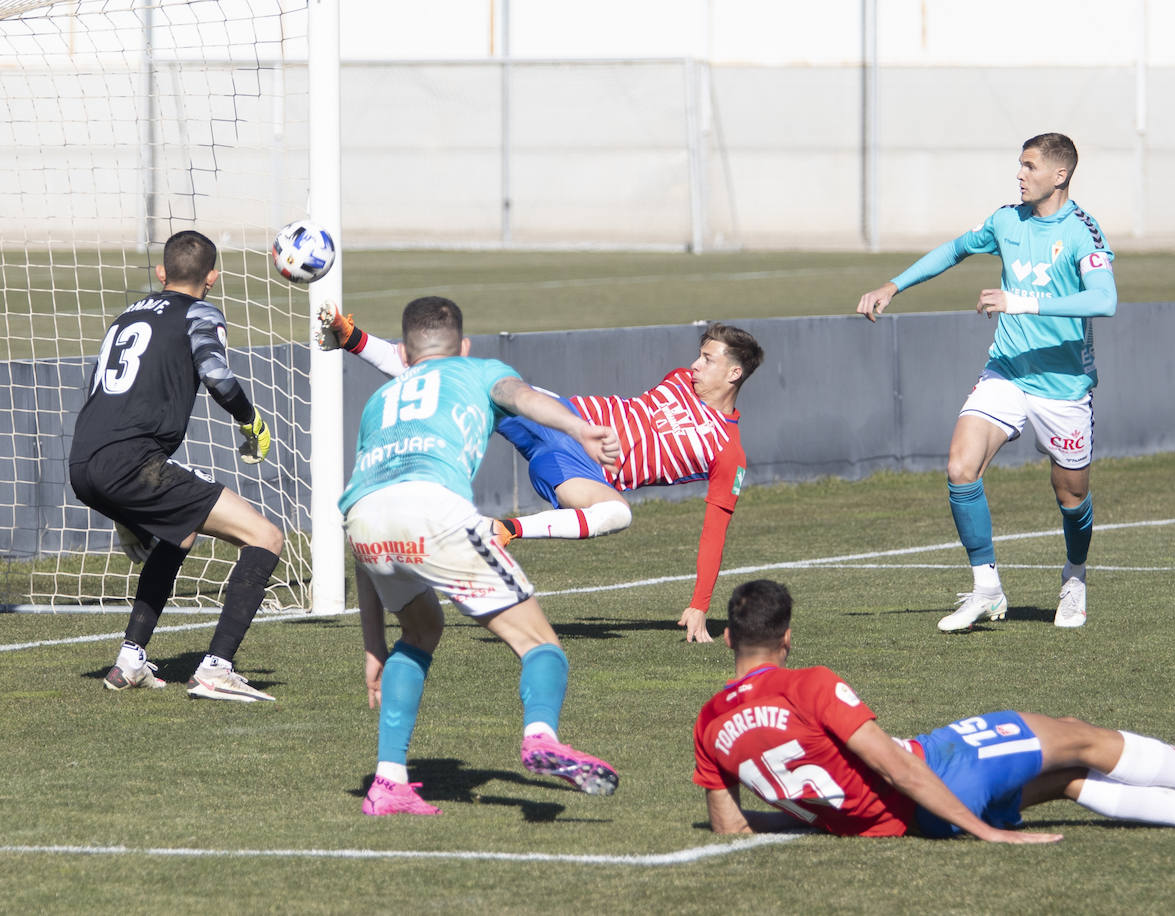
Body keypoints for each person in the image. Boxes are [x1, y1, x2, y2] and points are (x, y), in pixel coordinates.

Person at [693, 579, 1175, 841]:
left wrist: (819, 818)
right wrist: (984, 832)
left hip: (909, 823)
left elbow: (730, 826)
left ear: (728, 639)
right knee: (1078, 737)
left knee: (1068, 782)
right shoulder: (811, 684)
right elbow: (898, 768)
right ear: (788, 638)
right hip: (943, 776)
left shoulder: (709, 721)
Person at [320, 304, 764, 643]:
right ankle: (351, 338)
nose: (694, 366)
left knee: (617, 514)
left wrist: (700, 605)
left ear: (734, 372)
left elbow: (715, 530)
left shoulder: (729, 452)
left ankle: (503, 530)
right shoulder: (679, 380)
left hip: (580, 469)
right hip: (565, 418)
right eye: (699, 356)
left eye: (707, 360)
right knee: (464, 381)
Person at [340, 296, 622, 816]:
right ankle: (540, 736)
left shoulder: (379, 402)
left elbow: (364, 507)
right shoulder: (479, 369)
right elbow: (522, 397)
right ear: (463, 346)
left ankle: (388, 782)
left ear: (403, 351)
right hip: (433, 507)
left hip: (363, 522)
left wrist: (373, 646)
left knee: (420, 631)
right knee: (540, 645)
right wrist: (580, 429)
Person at [854, 132, 1116, 631]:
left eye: (1030, 166)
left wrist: (1020, 302)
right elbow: (953, 250)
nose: (1019, 174)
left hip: (1063, 384)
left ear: (1059, 175)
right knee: (960, 467)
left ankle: (1075, 578)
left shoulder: (1084, 231)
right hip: (1007, 369)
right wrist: (893, 285)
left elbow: (1104, 300)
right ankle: (987, 589)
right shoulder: (1006, 221)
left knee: (1071, 496)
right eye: (1019, 165)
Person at [67, 229, 282, 702]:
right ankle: (216, 670)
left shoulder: (126, 315)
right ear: (213, 277)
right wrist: (251, 421)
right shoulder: (201, 310)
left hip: (83, 461)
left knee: (180, 534)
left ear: (162, 274)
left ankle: (129, 661)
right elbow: (217, 375)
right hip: (130, 463)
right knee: (266, 537)